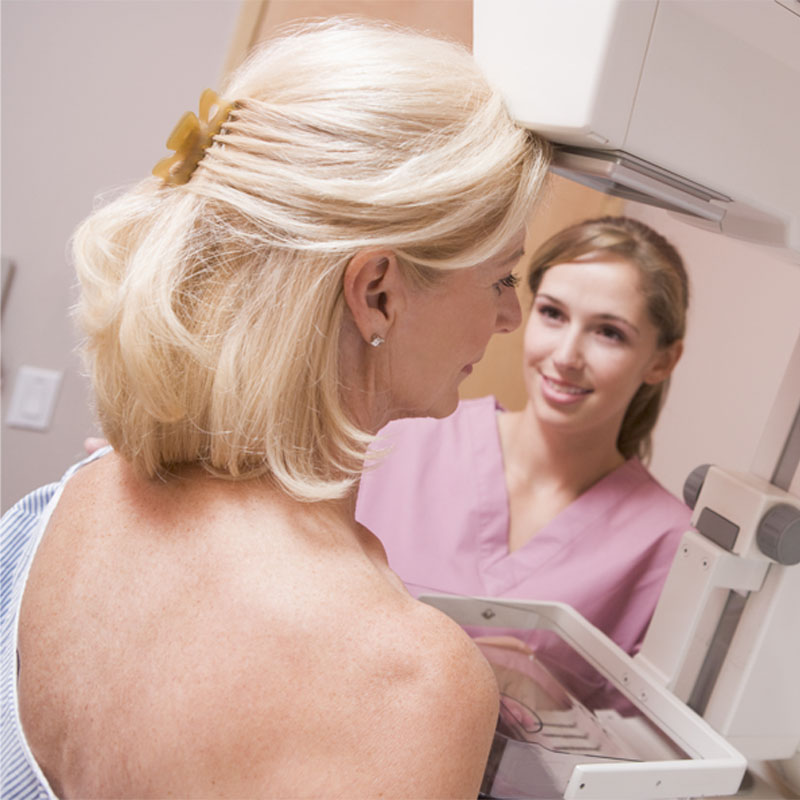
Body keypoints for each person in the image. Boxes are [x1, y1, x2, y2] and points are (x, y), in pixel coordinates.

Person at [0, 18, 552, 799]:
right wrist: (427, 701)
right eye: (502, 278)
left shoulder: (69, 504)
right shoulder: (412, 683)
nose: (510, 319)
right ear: (378, 292)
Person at [356, 216, 690, 704]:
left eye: (609, 333)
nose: (566, 356)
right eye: (553, 314)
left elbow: (636, 749)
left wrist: (547, 698)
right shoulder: (402, 435)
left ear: (661, 360)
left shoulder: (669, 543)